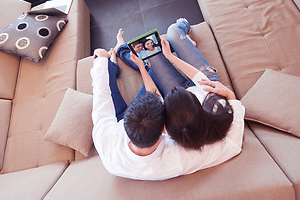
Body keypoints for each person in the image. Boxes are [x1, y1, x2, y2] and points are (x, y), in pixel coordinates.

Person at [91, 26, 245, 180]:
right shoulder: (178, 157)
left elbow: (101, 94)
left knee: (147, 59)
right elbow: (233, 144)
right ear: (165, 129)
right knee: (160, 49)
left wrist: (101, 60)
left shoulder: (106, 140)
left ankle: (120, 54)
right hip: (202, 87)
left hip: (188, 93)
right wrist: (229, 94)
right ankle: (124, 52)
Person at [115, 18, 244, 150]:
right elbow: (199, 78)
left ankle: (121, 49)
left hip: (184, 98)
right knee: (173, 31)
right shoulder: (217, 105)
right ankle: (185, 28)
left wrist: (142, 68)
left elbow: (155, 95)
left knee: (152, 54)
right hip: (207, 83)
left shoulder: (174, 130)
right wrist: (170, 57)